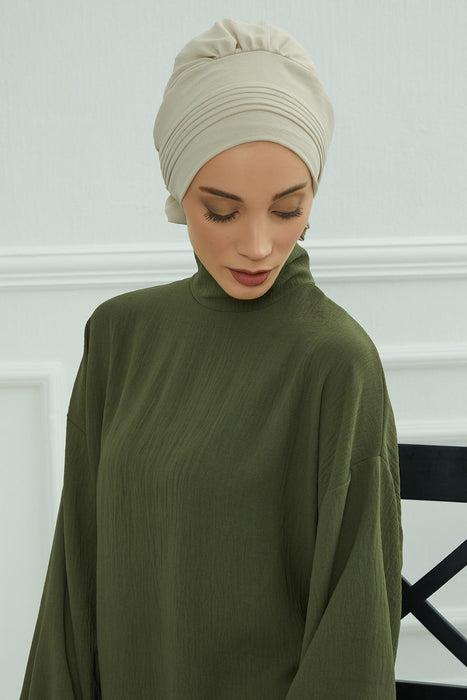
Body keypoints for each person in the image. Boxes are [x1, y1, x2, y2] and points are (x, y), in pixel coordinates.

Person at [20, 18, 403, 700]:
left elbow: (355, 630)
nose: (257, 245)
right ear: (178, 197)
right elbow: (75, 579)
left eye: (287, 209)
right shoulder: (120, 335)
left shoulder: (336, 361)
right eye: (222, 211)